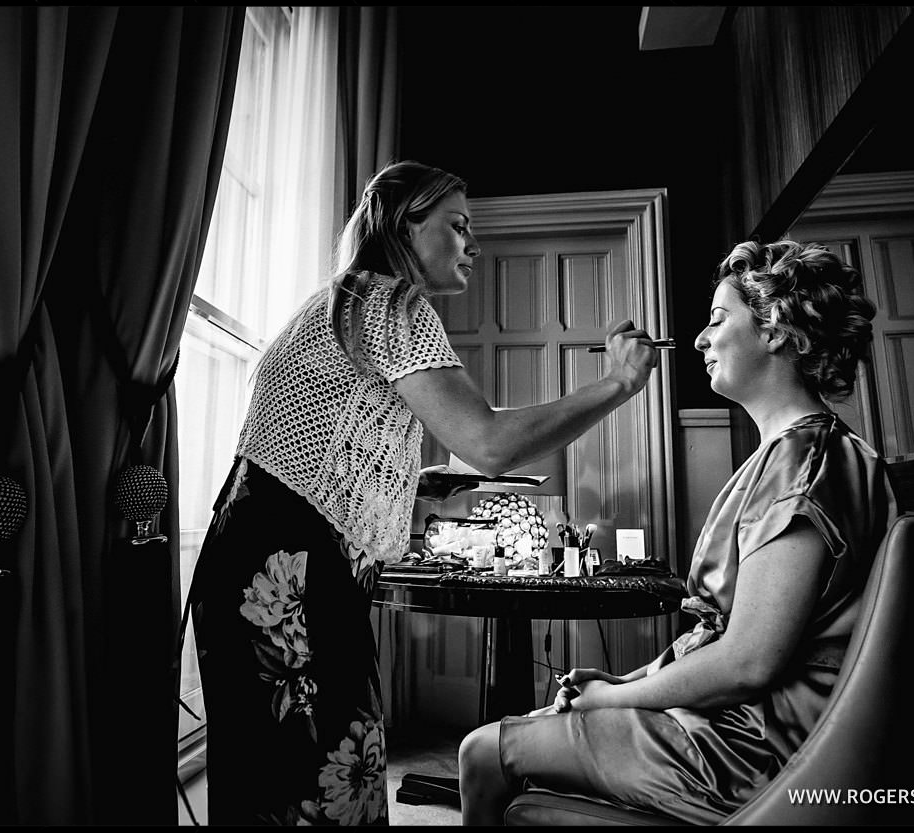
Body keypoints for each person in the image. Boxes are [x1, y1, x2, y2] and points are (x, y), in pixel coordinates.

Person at [188, 160, 659, 825]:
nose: (473, 244)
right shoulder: (394, 302)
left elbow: (320, 442)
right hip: (292, 577)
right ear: (406, 224)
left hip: (241, 559)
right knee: (329, 784)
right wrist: (619, 383)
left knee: (261, 781)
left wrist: (413, 480)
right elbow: (489, 443)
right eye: (458, 226)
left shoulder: (335, 300)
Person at [457, 239, 899, 825]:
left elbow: (749, 662)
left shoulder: (801, 463)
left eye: (717, 320)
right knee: (540, 726)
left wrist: (611, 699)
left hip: (757, 750)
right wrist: (625, 678)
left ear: (776, 331)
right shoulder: (817, 452)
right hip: (745, 722)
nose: (697, 339)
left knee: (482, 751)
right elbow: (730, 644)